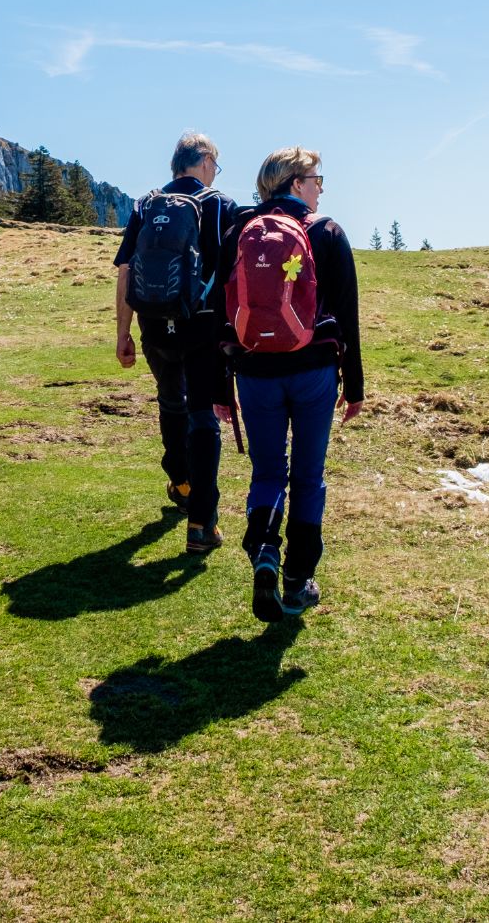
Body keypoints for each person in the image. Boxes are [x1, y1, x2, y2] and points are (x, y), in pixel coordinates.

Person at [219, 146, 362, 621]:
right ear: (297, 183)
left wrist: (221, 388)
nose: (321, 187)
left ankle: (264, 552)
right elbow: (348, 317)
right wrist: (355, 386)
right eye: (317, 179)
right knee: (307, 475)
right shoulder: (326, 232)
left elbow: (219, 316)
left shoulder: (240, 231)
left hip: (254, 373)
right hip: (314, 373)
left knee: (266, 472)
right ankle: (298, 581)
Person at [113, 132, 239, 554]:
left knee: (170, 401)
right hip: (202, 325)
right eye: (214, 165)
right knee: (203, 415)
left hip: (153, 322)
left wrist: (123, 333)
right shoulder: (218, 204)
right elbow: (231, 273)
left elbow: (127, 270)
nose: (214, 173)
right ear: (203, 161)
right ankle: (202, 522)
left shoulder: (146, 205)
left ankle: (182, 482)